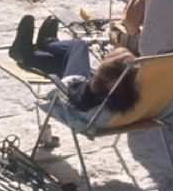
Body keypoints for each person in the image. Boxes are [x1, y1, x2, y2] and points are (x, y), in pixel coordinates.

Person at [7, 17, 139, 122]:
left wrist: (99, 76)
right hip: (91, 92)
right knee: (66, 60)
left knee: (78, 46)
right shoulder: (124, 95)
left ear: (111, 83)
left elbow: (86, 88)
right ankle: (27, 55)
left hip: (74, 88)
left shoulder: (92, 92)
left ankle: (48, 44)